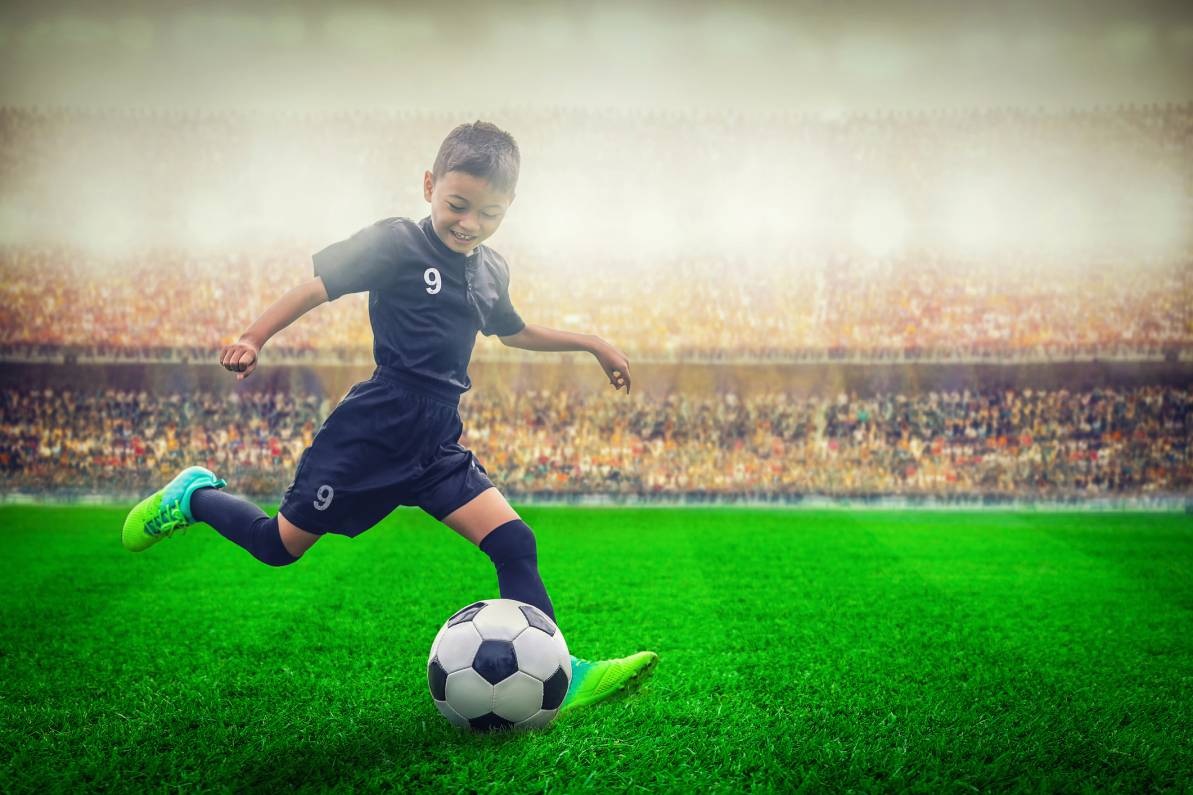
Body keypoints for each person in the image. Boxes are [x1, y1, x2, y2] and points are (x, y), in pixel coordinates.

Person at [121, 121, 657, 715]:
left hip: (435, 441)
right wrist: (252, 336)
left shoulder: (489, 270)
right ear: (430, 185)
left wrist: (593, 342)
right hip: (373, 430)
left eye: (490, 214)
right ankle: (194, 495)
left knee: (514, 542)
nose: (470, 224)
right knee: (277, 546)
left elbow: (514, 331)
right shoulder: (396, 243)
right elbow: (317, 288)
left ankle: (563, 669)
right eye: (457, 205)